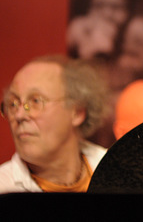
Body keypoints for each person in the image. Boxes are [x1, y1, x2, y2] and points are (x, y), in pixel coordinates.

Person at [0, 55, 109, 193]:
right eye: (13, 104)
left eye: (36, 101)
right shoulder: (4, 189)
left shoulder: (118, 170)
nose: (19, 115)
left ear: (77, 112)